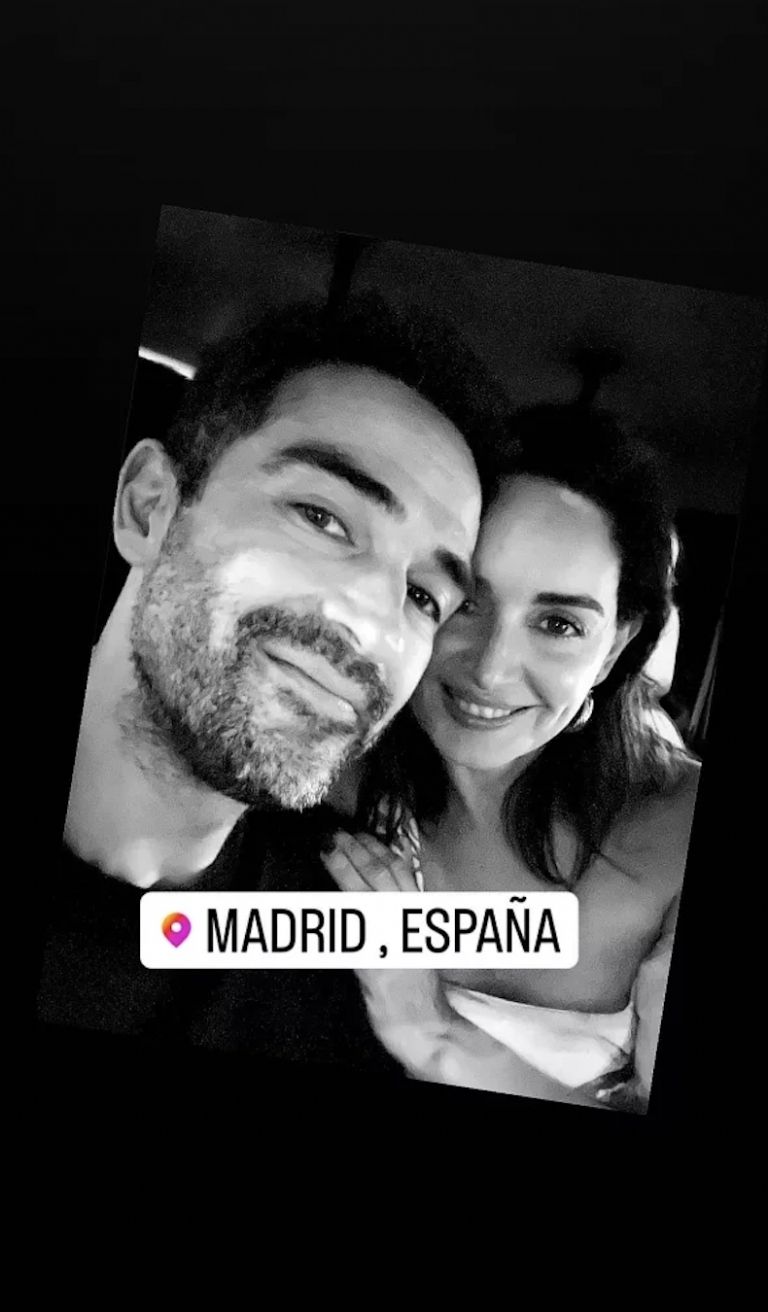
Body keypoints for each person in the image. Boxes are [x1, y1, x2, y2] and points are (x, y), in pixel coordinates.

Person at [36, 294, 510, 1078]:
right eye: (321, 517)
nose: (376, 628)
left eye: (425, 597)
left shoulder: (345, 945)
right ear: (149, 509)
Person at [321, 405, 700, 1110]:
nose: (490, 669)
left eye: (557, 624)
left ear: (614, 647)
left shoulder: (681, 834)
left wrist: (429, 1029)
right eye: (467, 600)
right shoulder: (324, 765)